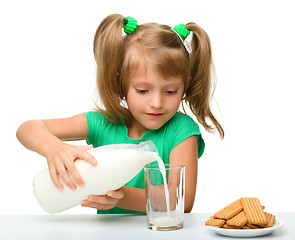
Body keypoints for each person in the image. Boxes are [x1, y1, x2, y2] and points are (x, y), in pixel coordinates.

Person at [16, 13, 224, 214]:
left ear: (185, 86)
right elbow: (27, 128)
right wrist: (54, 148)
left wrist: (121, 195)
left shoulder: (181, 130)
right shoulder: (103, 124)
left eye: (170, 91)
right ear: (121, 82)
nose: (157, 103)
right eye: (143, 90)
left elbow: (181, 200)